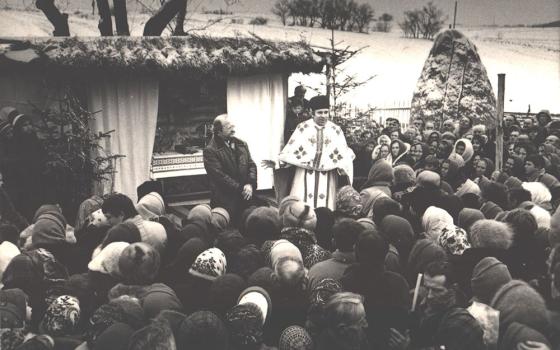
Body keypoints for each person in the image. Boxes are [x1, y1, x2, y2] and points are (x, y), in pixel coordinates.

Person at [265, 95, 355, 210]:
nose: (323, 116)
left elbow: (345, 154)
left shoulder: (335, 130)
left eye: (326, 112)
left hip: (328, 178)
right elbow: (290, 152)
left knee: (326, 209)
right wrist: (278, 163)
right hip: (304, 175)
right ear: (312, 112)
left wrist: (343, 167)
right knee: (301, 209)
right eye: (320, 112)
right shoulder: (303, 128)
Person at [203, 114, 257, 226]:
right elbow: (220, 177)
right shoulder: (210, 150)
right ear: (218, 131)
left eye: (233, 126)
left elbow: (251, 165)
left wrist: (249, 184)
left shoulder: (241, 144)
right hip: (225, 200)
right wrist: (242, 189)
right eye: (229, 127)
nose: (233, 129)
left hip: (245, 195)